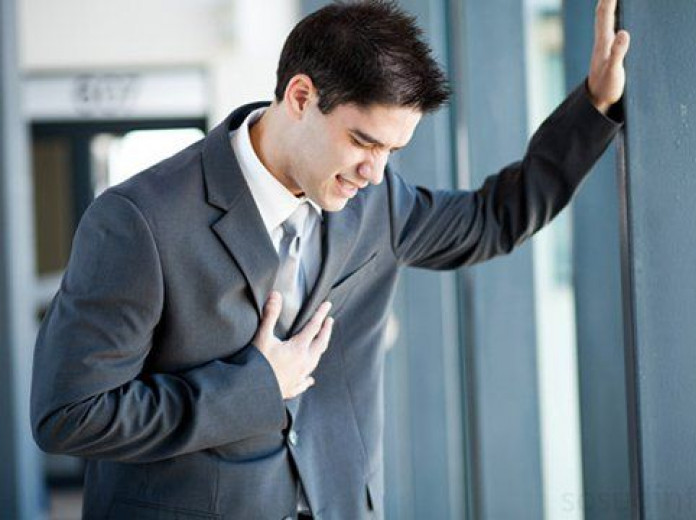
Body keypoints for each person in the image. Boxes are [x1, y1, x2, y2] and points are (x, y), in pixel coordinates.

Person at [30, 0, 630, 518]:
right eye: (363, 141)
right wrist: (254, 387)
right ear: (300, 97)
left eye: (392, 150)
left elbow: (494, 219)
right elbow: (70, 415)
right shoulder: (139, 221)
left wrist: (594, 106)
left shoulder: (378, 203)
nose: (375, 172)